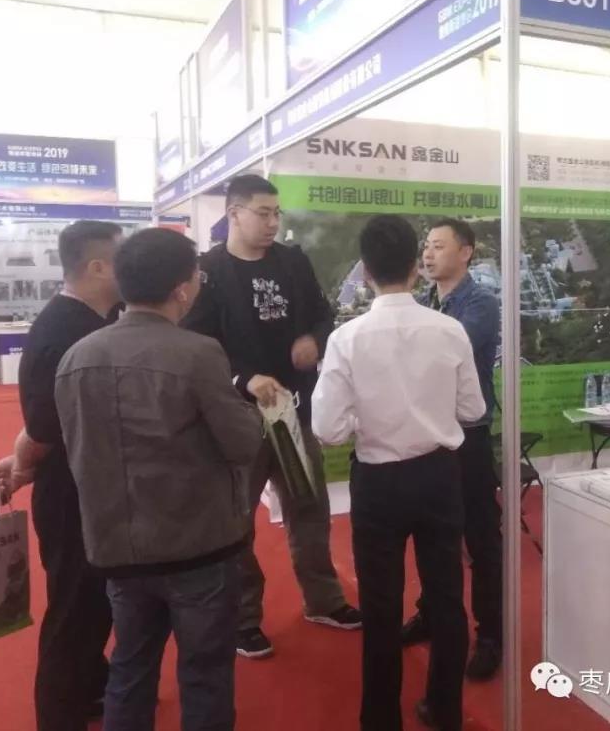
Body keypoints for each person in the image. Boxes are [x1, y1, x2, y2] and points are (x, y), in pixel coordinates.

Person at [54, 228, 264, 731]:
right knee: (205, 674)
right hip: (197, 546)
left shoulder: (76, 357)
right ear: (182, 289)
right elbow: (242, 444)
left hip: (116, 548)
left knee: (129, 668)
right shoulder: (198, 353)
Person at [312, 215, 485, 731]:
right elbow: (473, 410)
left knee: (381, 607)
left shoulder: (346, 338)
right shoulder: (449, 329)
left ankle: (381, 719)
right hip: (438, 475)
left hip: (379, 483)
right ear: (415, 267)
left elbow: (327, 429)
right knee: (447, 600)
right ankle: (445, 711)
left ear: (365, 272)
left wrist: (366, 419)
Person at [182, 173, 360, 658]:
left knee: (309, 505)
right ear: (234, 213)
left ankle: (324, 600)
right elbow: (197, 347)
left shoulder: (292, 262)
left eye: (277, 213)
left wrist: (313, 340)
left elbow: (323, 315)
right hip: (236, 419)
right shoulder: (208, 272)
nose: (273, 223)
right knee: (236, 519)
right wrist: (243, 379)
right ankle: (243, 618)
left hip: (291, 412)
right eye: (263, 213)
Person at [0, 220, 123, 731]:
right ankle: (59, 715)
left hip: (89, 486)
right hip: (70, 495)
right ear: (98, 267)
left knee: (94, 606)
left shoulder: (91, 320)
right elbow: (45, 426)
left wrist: (23, 459)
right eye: (123, 258)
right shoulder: (64, 332)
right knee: (74, 612)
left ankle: (90, 689)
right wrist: (23, 463)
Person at [404, 218, 503, 680]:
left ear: (466, 253)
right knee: (431, 535)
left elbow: (445, 353)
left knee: (481, 539)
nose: (428, 254)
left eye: (439, 246)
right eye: (426, 246)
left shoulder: (480, 303)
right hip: (430, 436)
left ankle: (491, 634)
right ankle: (431, 613)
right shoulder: (424, 301)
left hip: (468, 436)